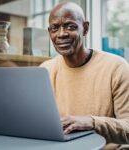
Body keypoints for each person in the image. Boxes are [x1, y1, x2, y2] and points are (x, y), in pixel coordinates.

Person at [40, 2, 129, 149]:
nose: (61, 34)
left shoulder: (116, 67)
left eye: (70, 26)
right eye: (54, 28)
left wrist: (92, 122)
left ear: (85, 28)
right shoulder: (45, 70)